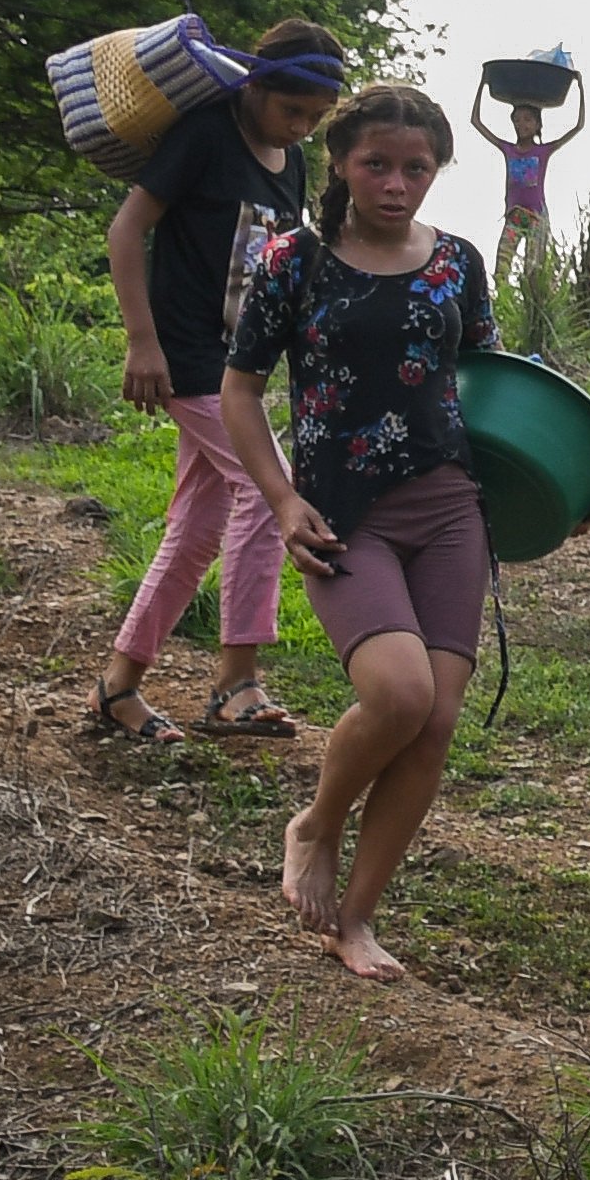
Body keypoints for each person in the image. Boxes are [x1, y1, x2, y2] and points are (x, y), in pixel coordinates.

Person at [225, 84, 500, 985]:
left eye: (416, 168)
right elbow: (240, 391)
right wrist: (280, 500)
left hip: (450, 509)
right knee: (399, 695)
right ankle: (317, 823)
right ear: (340, 162)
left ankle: (357, 919)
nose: (396, 184)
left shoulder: (457, 262)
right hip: (345, 516)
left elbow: (493, 386)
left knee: (436, 722)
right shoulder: (293, 261)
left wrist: (563, 486)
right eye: (377, 164)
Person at [89, 22, 348, 747]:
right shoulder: (205, 135)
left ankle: (117, 686)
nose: (300, 127)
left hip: (238, 364)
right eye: (291, 110)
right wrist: (142, 341)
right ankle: (237, 682)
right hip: (186, 355)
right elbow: (126, 229)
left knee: (198, 528)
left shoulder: (291, 162)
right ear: (254, 85)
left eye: (315, 117)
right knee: (270, 491)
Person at [471, 60, 588, 303]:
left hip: (536, 217)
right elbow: (476, 121)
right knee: (501, 268)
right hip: (515, 215)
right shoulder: (508, 149)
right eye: (517, 120)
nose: (522, 124)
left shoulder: (543, 151)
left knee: (533, 272)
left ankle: (534, 311)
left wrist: (579, 86)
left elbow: (578, 126)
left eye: (527, 120)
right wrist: (483, 83)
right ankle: (503, 306)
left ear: (537, 125)